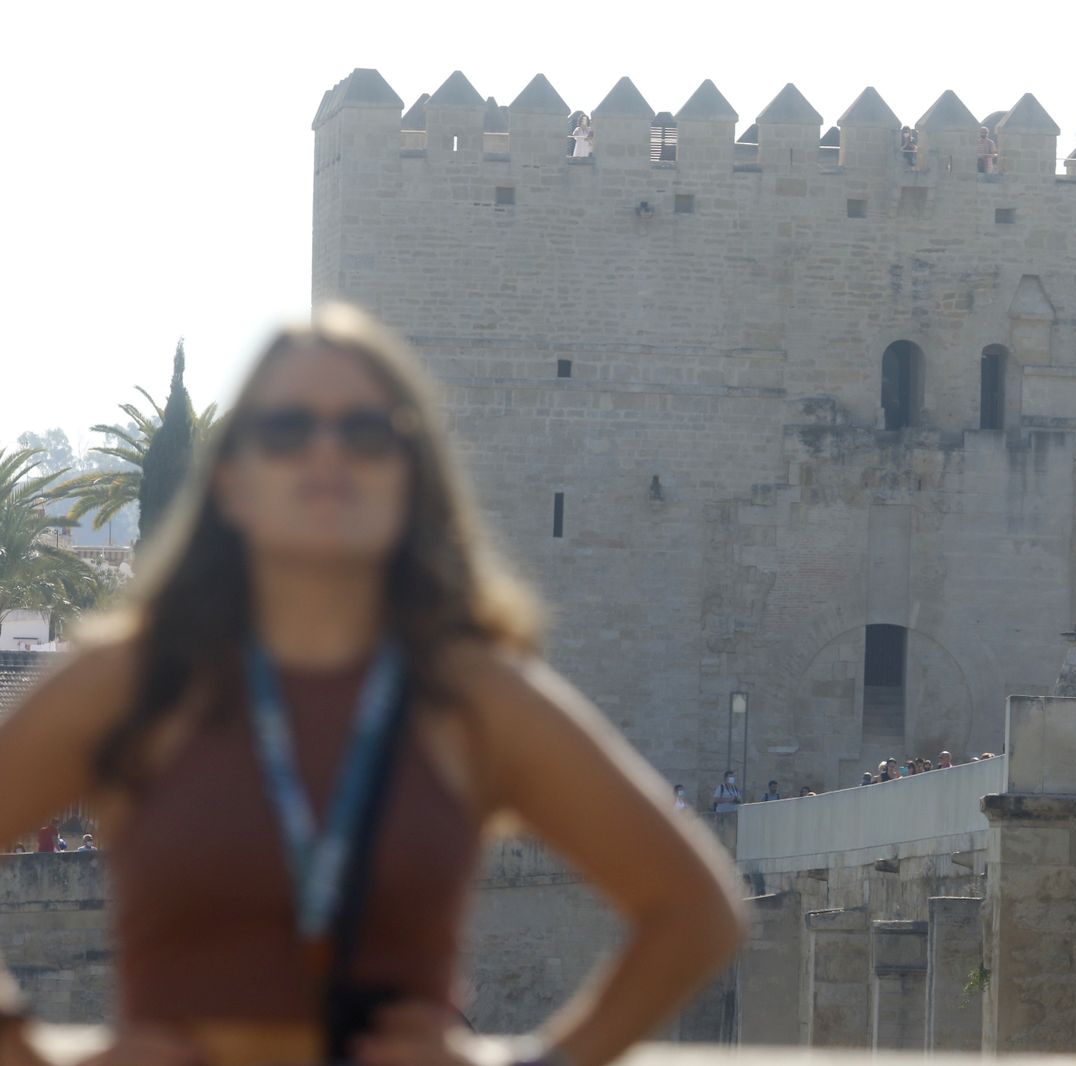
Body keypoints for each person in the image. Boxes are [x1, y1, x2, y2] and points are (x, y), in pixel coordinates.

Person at [0, 305, 745, 1066]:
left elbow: (695, 911)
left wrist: (530, 1063)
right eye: (287, 430)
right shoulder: (129, 681)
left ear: (411, 477)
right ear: (230, 480)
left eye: (367, 432)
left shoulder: (472, 695)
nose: (328, 455)